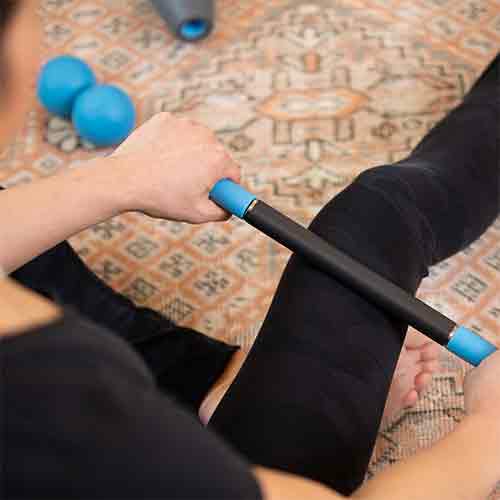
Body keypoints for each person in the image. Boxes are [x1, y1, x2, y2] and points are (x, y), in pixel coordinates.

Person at [1, 0, 499, 498]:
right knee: (378, 215)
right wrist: (485, 437)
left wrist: (122, 178)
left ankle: (201, 379)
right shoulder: (58, 406)